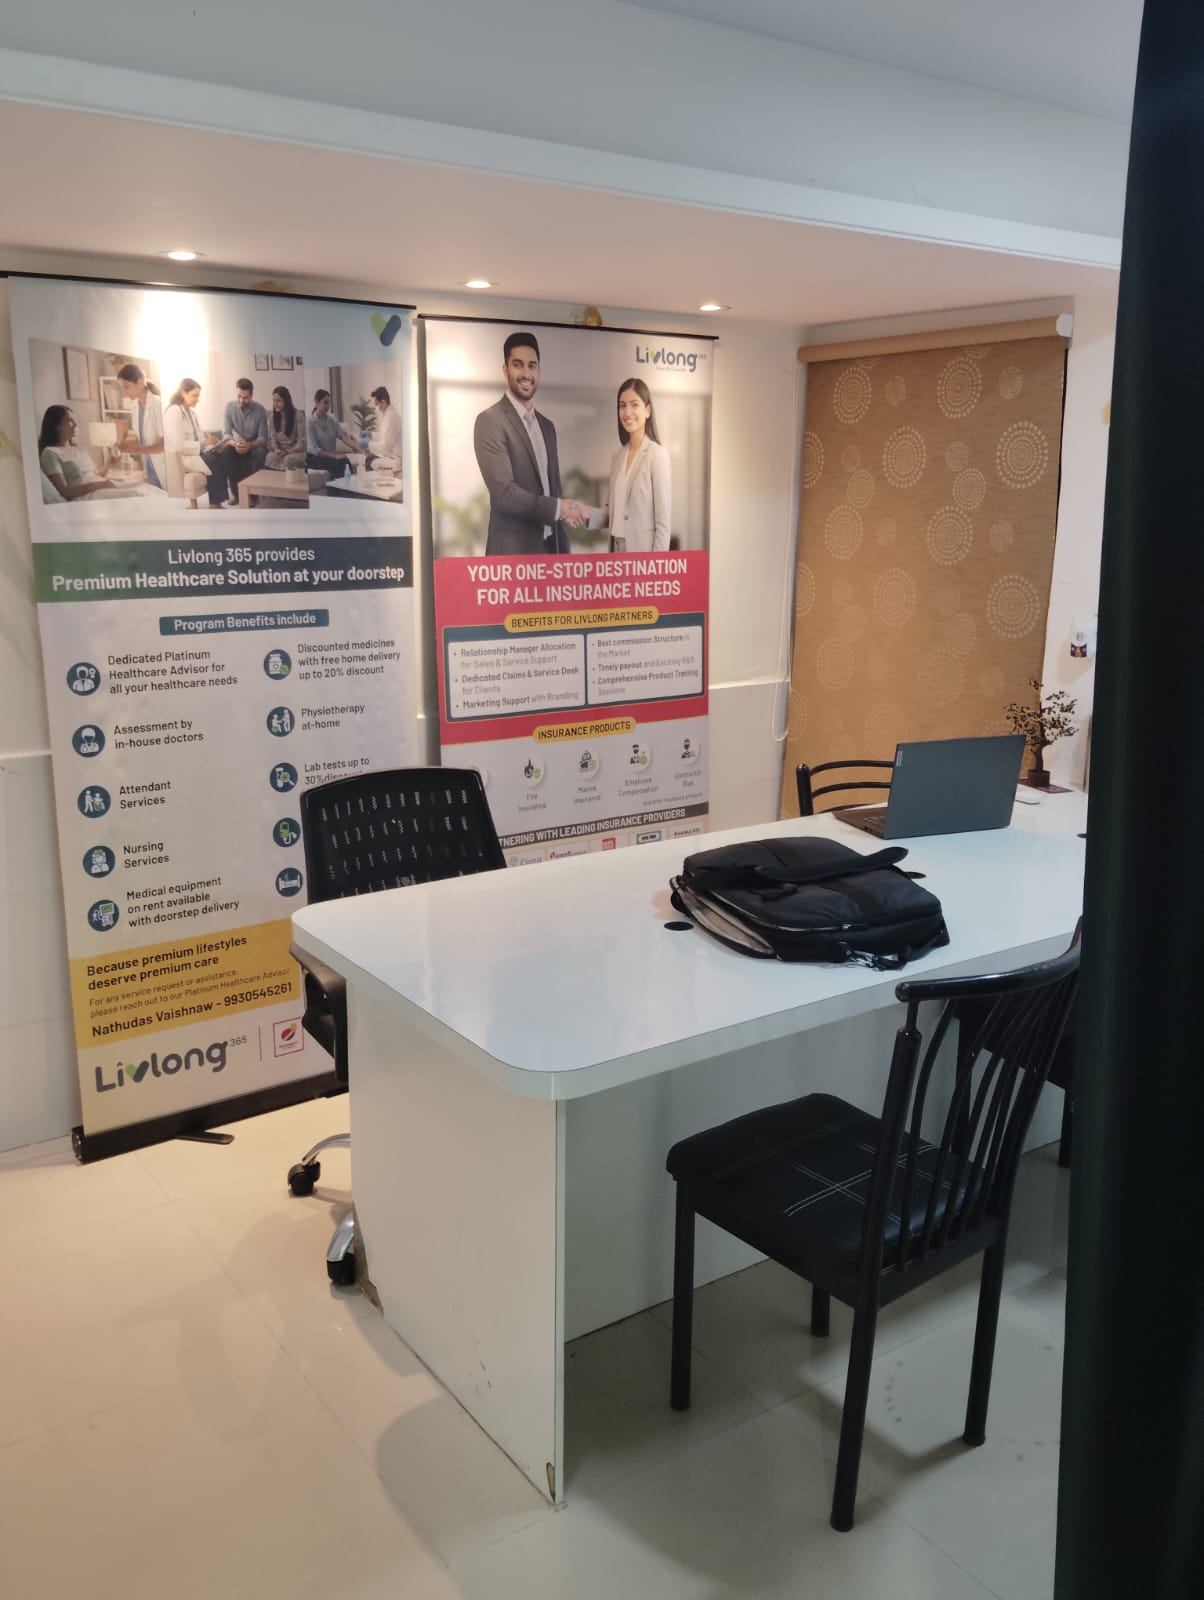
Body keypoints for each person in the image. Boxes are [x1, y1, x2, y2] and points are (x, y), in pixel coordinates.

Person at [473, 331, 587, 556]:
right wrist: (559, 508)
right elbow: (504, 494)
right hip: (512, 555)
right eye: (518, 365)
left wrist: (565, 556)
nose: (526, 373)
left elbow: (554, 491)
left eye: (532, 366)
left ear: (539, 371)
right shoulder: (490, 421)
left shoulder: (547, 427)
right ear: (505, 370)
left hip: (550, 553)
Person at [586, 378, 671, 552]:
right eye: (622, 406)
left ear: (647, 411)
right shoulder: (617, 456)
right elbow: (612, 513)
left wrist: (656, 565)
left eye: (634, 405)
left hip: (643, 555)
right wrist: (585, 513)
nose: (627, 412)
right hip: (615, 549)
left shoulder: (657, 455)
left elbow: (663, 525)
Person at [163, 378, 228, 508]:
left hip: (195, 453)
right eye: (194, 395)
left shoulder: (192, 413)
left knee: (222, 454)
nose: (197, 399)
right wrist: (204, 444)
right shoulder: (173, 412)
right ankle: (215, 503)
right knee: (215, 460)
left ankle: (217, 502)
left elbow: (198, 437)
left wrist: (210, 442)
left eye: (198, 396)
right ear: (183, 393)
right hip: (182, 458)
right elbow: (178, 445)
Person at [38, 406, 121, 500]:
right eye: (69, 420)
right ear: (57, 426)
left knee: (135, 488)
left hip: (100, 488)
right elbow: (65, 492)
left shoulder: (79, 449)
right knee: (132, 494)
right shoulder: (50, 453)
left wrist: (109, 465)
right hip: (87, 496)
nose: (75, 424)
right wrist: (101, 485)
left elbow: (94, 475)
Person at [115, 363, 166, 490]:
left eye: (127, 387)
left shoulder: (158, 405)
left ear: (140, 383)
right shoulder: (134, 407)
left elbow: (164, 444)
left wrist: (136, 450)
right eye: (123, 388)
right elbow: (142, 438)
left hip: (163, 466)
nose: (125, 392)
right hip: (149, 468)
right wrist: (124, 445)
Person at [218, 378, 269, 504]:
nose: (241, 400)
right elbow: (226, 434)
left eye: (245, 397)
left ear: (251, 396)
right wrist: (235, 444)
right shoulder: (229, 407)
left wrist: (249, 445)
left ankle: (253, 496)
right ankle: (236, 495)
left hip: (254, 445)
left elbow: (263, 438)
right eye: (239, 396)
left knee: (261, 453)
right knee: (225, 451)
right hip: (236, 443)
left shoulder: (260, 410)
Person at [307, 388, 359, 479]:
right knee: (341, 462)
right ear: (317, 402)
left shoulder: (332, 419)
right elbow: (314, 449)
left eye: (329, 403)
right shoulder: (310, 421)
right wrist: (334, 455)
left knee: (345, 460)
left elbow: (344, 437)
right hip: (315, 458)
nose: (328, 406)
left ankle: (348, 485)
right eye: (325, 402)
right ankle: (339, 486)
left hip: (329, 457)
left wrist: (359, 449)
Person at [264, 385, 306, 469]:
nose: (275, 404)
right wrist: (276, 450)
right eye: (274, 401)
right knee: (269, 457)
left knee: (288, 460)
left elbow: (301, 443)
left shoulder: (298, 416)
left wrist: (286, 452)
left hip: (295, 452)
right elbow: (272, 440)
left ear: (286, 401)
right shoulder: (273, 417)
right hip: (279, 451)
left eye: (278, 401)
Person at [365, 385, 402, 469]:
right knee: (369, 459)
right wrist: (371, 434)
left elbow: (384, 446)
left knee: (369, 462)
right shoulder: (387, 414)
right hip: (389, 454)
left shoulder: (392, 417)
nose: (376, 408)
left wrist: (368, 444)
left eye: (377, 404)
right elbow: (384, 435)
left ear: (383, 402)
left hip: (395, 458)